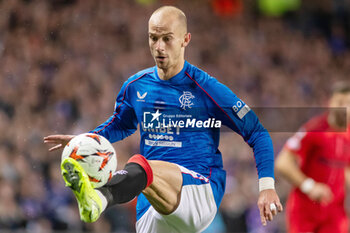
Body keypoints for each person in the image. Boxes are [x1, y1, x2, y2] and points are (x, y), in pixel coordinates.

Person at [44, 6, 282, 232]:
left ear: (185, 40)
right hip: (151, 203)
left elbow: (257, 133)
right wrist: (85, 140)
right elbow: (121, 124)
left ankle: (100, 196)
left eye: (167, 38)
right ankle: (100, 195)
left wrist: (267, 186)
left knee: (141, 163)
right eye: (153, 38)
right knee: (144, 169)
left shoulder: (206, 88)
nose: (159, 47)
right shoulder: (136, 87)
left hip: (198, 192)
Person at [275, 82, 350, 233]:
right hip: (305, 211)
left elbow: (345, 168)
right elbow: (282, 162)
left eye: (348, 103)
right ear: (329, 103)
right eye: (340, 103)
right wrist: (309, 186)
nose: (344, 108)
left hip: (334, 211)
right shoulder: (314, 129)